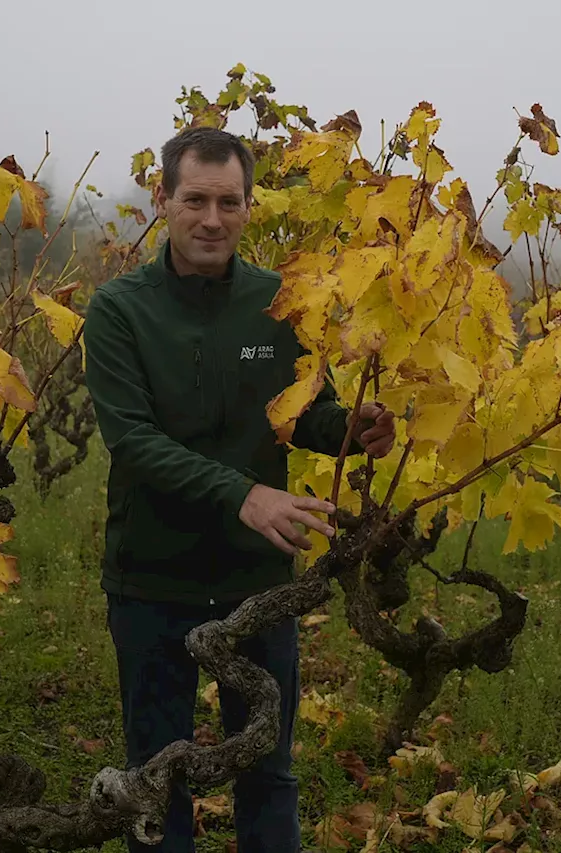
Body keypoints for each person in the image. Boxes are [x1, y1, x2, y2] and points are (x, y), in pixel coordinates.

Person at [83, 126, 396, 853]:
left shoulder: (277, 303)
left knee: (268, 768)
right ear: (163, 200)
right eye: (195, 199)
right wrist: (244, 494)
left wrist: (353, 425)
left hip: (258, 582)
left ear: (250, 207)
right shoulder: (119, 312)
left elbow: (301, 414)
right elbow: (133, 441)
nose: (212, 219)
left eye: (229, 202)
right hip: (150, 581)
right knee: (157, 779)